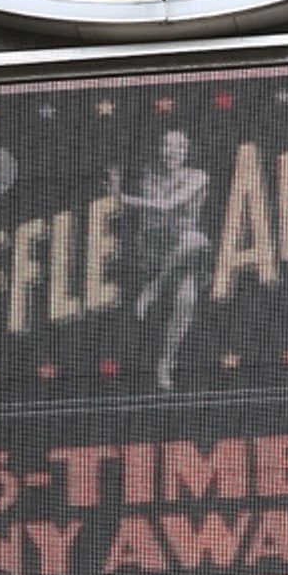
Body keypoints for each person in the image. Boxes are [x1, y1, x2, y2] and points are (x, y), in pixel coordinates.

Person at [108, 130, 210, 391]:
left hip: (183, 250)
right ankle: (151, 288)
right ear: (159, 149)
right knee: (190, 243)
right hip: (155, 250)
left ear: (186, 151)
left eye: (179, 146)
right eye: (167, 145)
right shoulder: (149, 176)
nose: (173, 151)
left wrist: (122, 197)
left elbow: (168, 206)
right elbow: (147, 220)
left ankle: (165, 363)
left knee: (194, 249)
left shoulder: (198, 176)